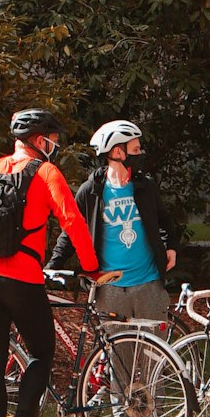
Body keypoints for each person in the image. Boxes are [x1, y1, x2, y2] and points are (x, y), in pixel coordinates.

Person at [0, 107, 107, 417]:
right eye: (52, 140)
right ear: (40, 140)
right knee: (41, 351)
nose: (54, 146)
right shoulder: (46, 173)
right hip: (22, 277)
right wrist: (91, 267)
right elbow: (72, 220)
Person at [62, 119, 180, 326]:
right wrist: (53, 266)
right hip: (110, 289)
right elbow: (71, 230)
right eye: (135, 149)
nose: (140, 153)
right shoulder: (91, 191)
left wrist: (171, 246)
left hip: (149, 284)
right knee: (116, 356)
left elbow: (165, 219)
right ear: (118, 152)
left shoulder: (146, 186)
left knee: (155, 354)